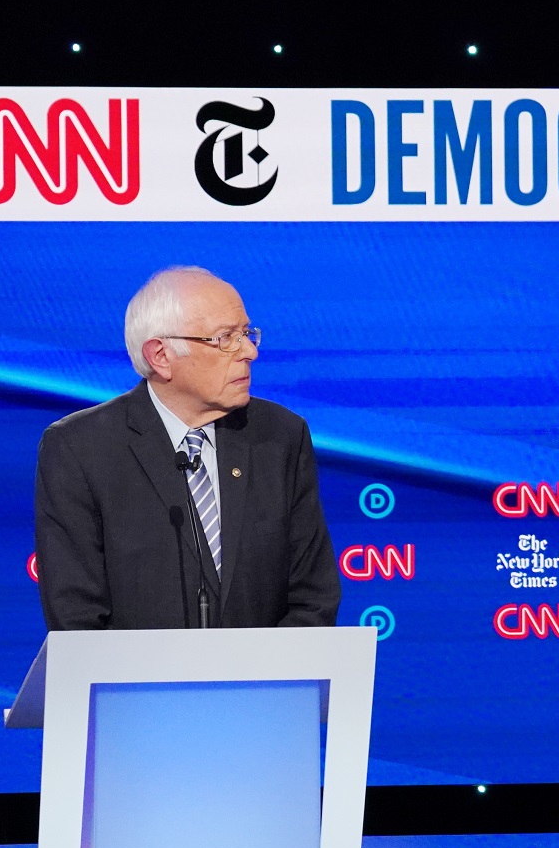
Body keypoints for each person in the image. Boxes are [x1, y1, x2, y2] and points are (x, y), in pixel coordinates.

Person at [34, 266, 340, 629]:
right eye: (224, 338)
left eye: (246, 333)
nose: (248, 352)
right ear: (161, 356)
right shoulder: (80, 449)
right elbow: (76, 619)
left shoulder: (281, 436)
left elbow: (312, 596)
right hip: (134, 684)